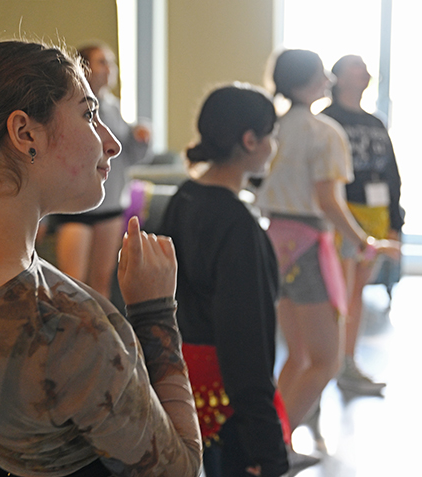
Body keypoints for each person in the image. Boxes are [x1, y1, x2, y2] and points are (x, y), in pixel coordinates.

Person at [0, 40, 202, 476]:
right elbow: (177, 471)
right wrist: (155, 312)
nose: (111, 144)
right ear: (25, 133)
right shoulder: (72, 328)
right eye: (88, 114)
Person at [254, 49, 399, 433]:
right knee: (325, 360)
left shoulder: (274, 127)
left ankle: (268, 440)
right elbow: (327, 200)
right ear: (310, 81)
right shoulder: (324, 132)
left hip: (273, 240)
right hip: (307, 243)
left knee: (296, 354)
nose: (330, 79)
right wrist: (365, 241)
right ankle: (278, 444)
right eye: (323, 72)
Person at [159, 84, 289, 477]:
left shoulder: (184, 196)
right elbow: (246, 343)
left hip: (174, 382)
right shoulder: (237, 226)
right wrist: (268, 450)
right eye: (271, 135)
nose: (273, 145)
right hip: (222, 400)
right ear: (250, 140)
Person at [321, 54, 403, 395]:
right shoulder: (325, 121)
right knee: (336, 294)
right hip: (341, 214)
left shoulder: (375, 123)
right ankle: (327, 365)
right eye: (356, 68)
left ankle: (347, 362)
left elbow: (392, 174)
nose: (364, 73)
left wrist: (394, 221)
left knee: (356, 293)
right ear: (338, 77)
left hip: (375, 215)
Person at [50, 42, 151, 299]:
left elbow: (127, 157)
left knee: (102, 282)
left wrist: (140, 141)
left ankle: (101, 337)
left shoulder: (114, 108)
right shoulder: (66, 106)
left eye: (112, 62)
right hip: (75, 206)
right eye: (102, 62)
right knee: (72, 286)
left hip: (110, 204)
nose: (110, 69)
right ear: (84, 67)